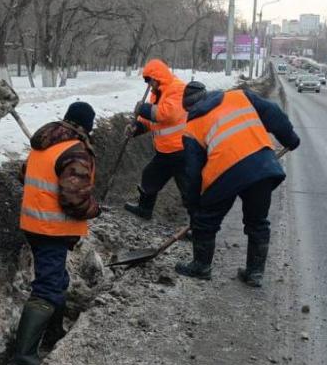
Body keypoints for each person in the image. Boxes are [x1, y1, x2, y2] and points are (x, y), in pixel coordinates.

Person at [175, 82, 300, 287]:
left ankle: (201, 266)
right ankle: (255, 273)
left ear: (188, 108)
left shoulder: (191, 129)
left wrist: (194, 206)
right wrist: (290, 138)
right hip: (262, 165)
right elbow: (274, 113)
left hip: (224, 175)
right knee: (258, 221)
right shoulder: (239, 96)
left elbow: (192, 174)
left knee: (206, 221)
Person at [8, 102, 100, 365]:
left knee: (56, 279)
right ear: (86, 125)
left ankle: (53, 334)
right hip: (52, 228)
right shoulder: (75, 151)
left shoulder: (45, 143)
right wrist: (93, 208)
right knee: (48, 286)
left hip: (33, 223)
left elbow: (24, 174)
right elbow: (73, 199)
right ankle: (22, 361)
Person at [124, 59, 189, 220]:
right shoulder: (156, 93)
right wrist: (137, 128)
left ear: (157, 77)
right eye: (147, 81)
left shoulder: (177, 88)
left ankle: (199, 226)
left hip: (181, 149)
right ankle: (144, 209)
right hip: (165, 150)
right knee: (150, 176)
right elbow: (151, 120)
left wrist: (143, 108)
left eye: (150, 81)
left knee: (188, 188)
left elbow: (167, 114)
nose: (149, 85)